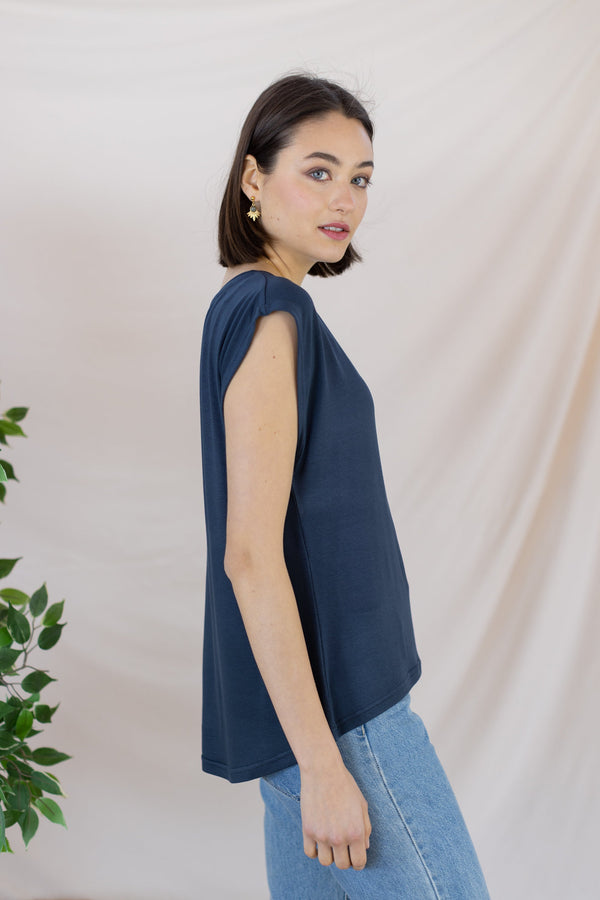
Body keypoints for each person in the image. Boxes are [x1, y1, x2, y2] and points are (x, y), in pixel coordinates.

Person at [199, 71, 490, 899]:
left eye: (360, 178)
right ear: (254, 179)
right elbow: (250, 556)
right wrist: (325, 765)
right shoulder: (269, 313)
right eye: (319, 171)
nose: (345, 199)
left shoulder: (260, 307)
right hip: (347, 721)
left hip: (321, 721)